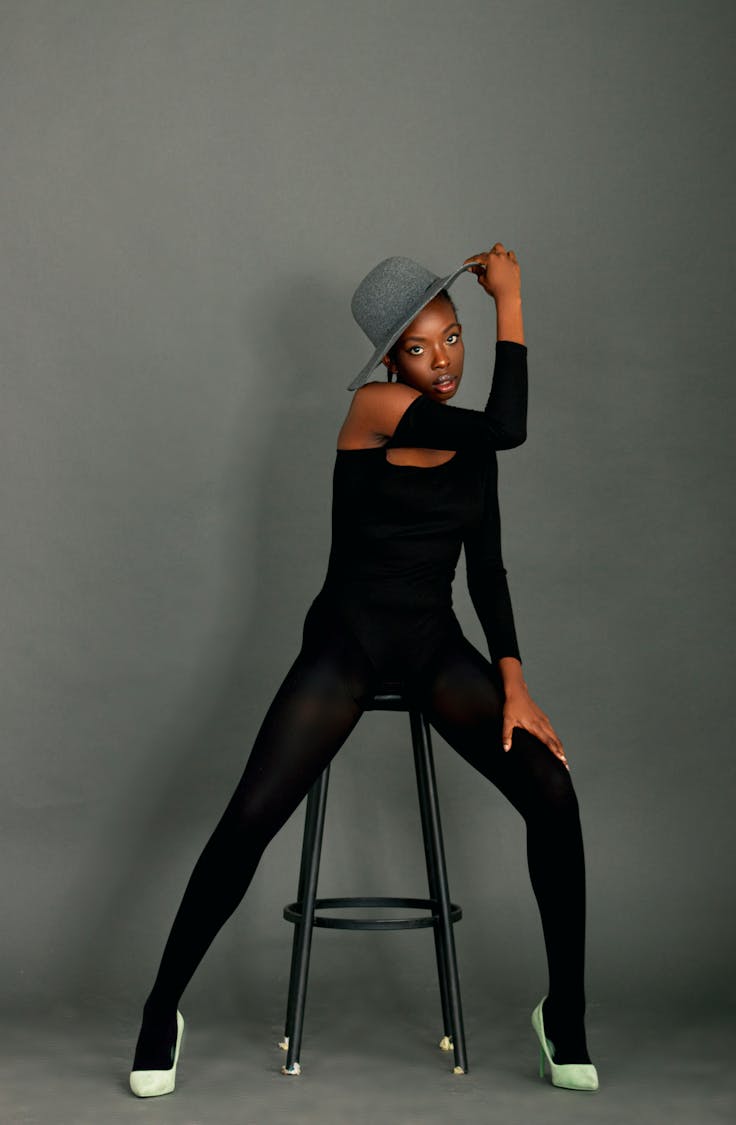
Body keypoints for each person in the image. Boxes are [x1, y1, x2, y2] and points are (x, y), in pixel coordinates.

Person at [129, 242, 598, 1097]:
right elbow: (512, 425)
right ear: (390, 359)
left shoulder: (465, 434)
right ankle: (161, 1008)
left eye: (454, 337)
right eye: (421, 347)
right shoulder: (375, 407)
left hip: (431, 647)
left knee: (554, 792)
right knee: (247, 818)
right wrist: (512, 300)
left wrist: (516, 685)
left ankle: (563, 1012)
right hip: (344, 648)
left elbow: (486, 570)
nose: (445, 360)